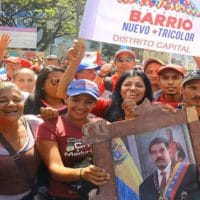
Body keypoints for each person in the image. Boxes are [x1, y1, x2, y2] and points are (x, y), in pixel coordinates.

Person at [36, 79, 110, 200]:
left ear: (95, 104)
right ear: (66, 99)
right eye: (75, 100)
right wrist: (82, 173)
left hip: (99, 195)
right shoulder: (49, 127)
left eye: (88, 102)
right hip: (62, 196)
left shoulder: (101, 125)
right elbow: (55, 170)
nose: (81, 106)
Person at [0, 82, 43, 200]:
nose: (11, 104)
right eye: (2, 100)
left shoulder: (35, 124)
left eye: (16, 99)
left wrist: (52, 119)